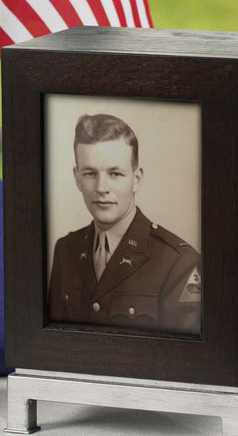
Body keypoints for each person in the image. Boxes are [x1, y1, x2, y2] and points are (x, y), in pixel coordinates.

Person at [47, 114, 201, 334]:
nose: (102, 187)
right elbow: (54, 343)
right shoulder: (66, 249)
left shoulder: (178, 263)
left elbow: (185, 361)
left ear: (136, 179)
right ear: (77, 178)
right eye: (90, 173)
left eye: (115, 173)